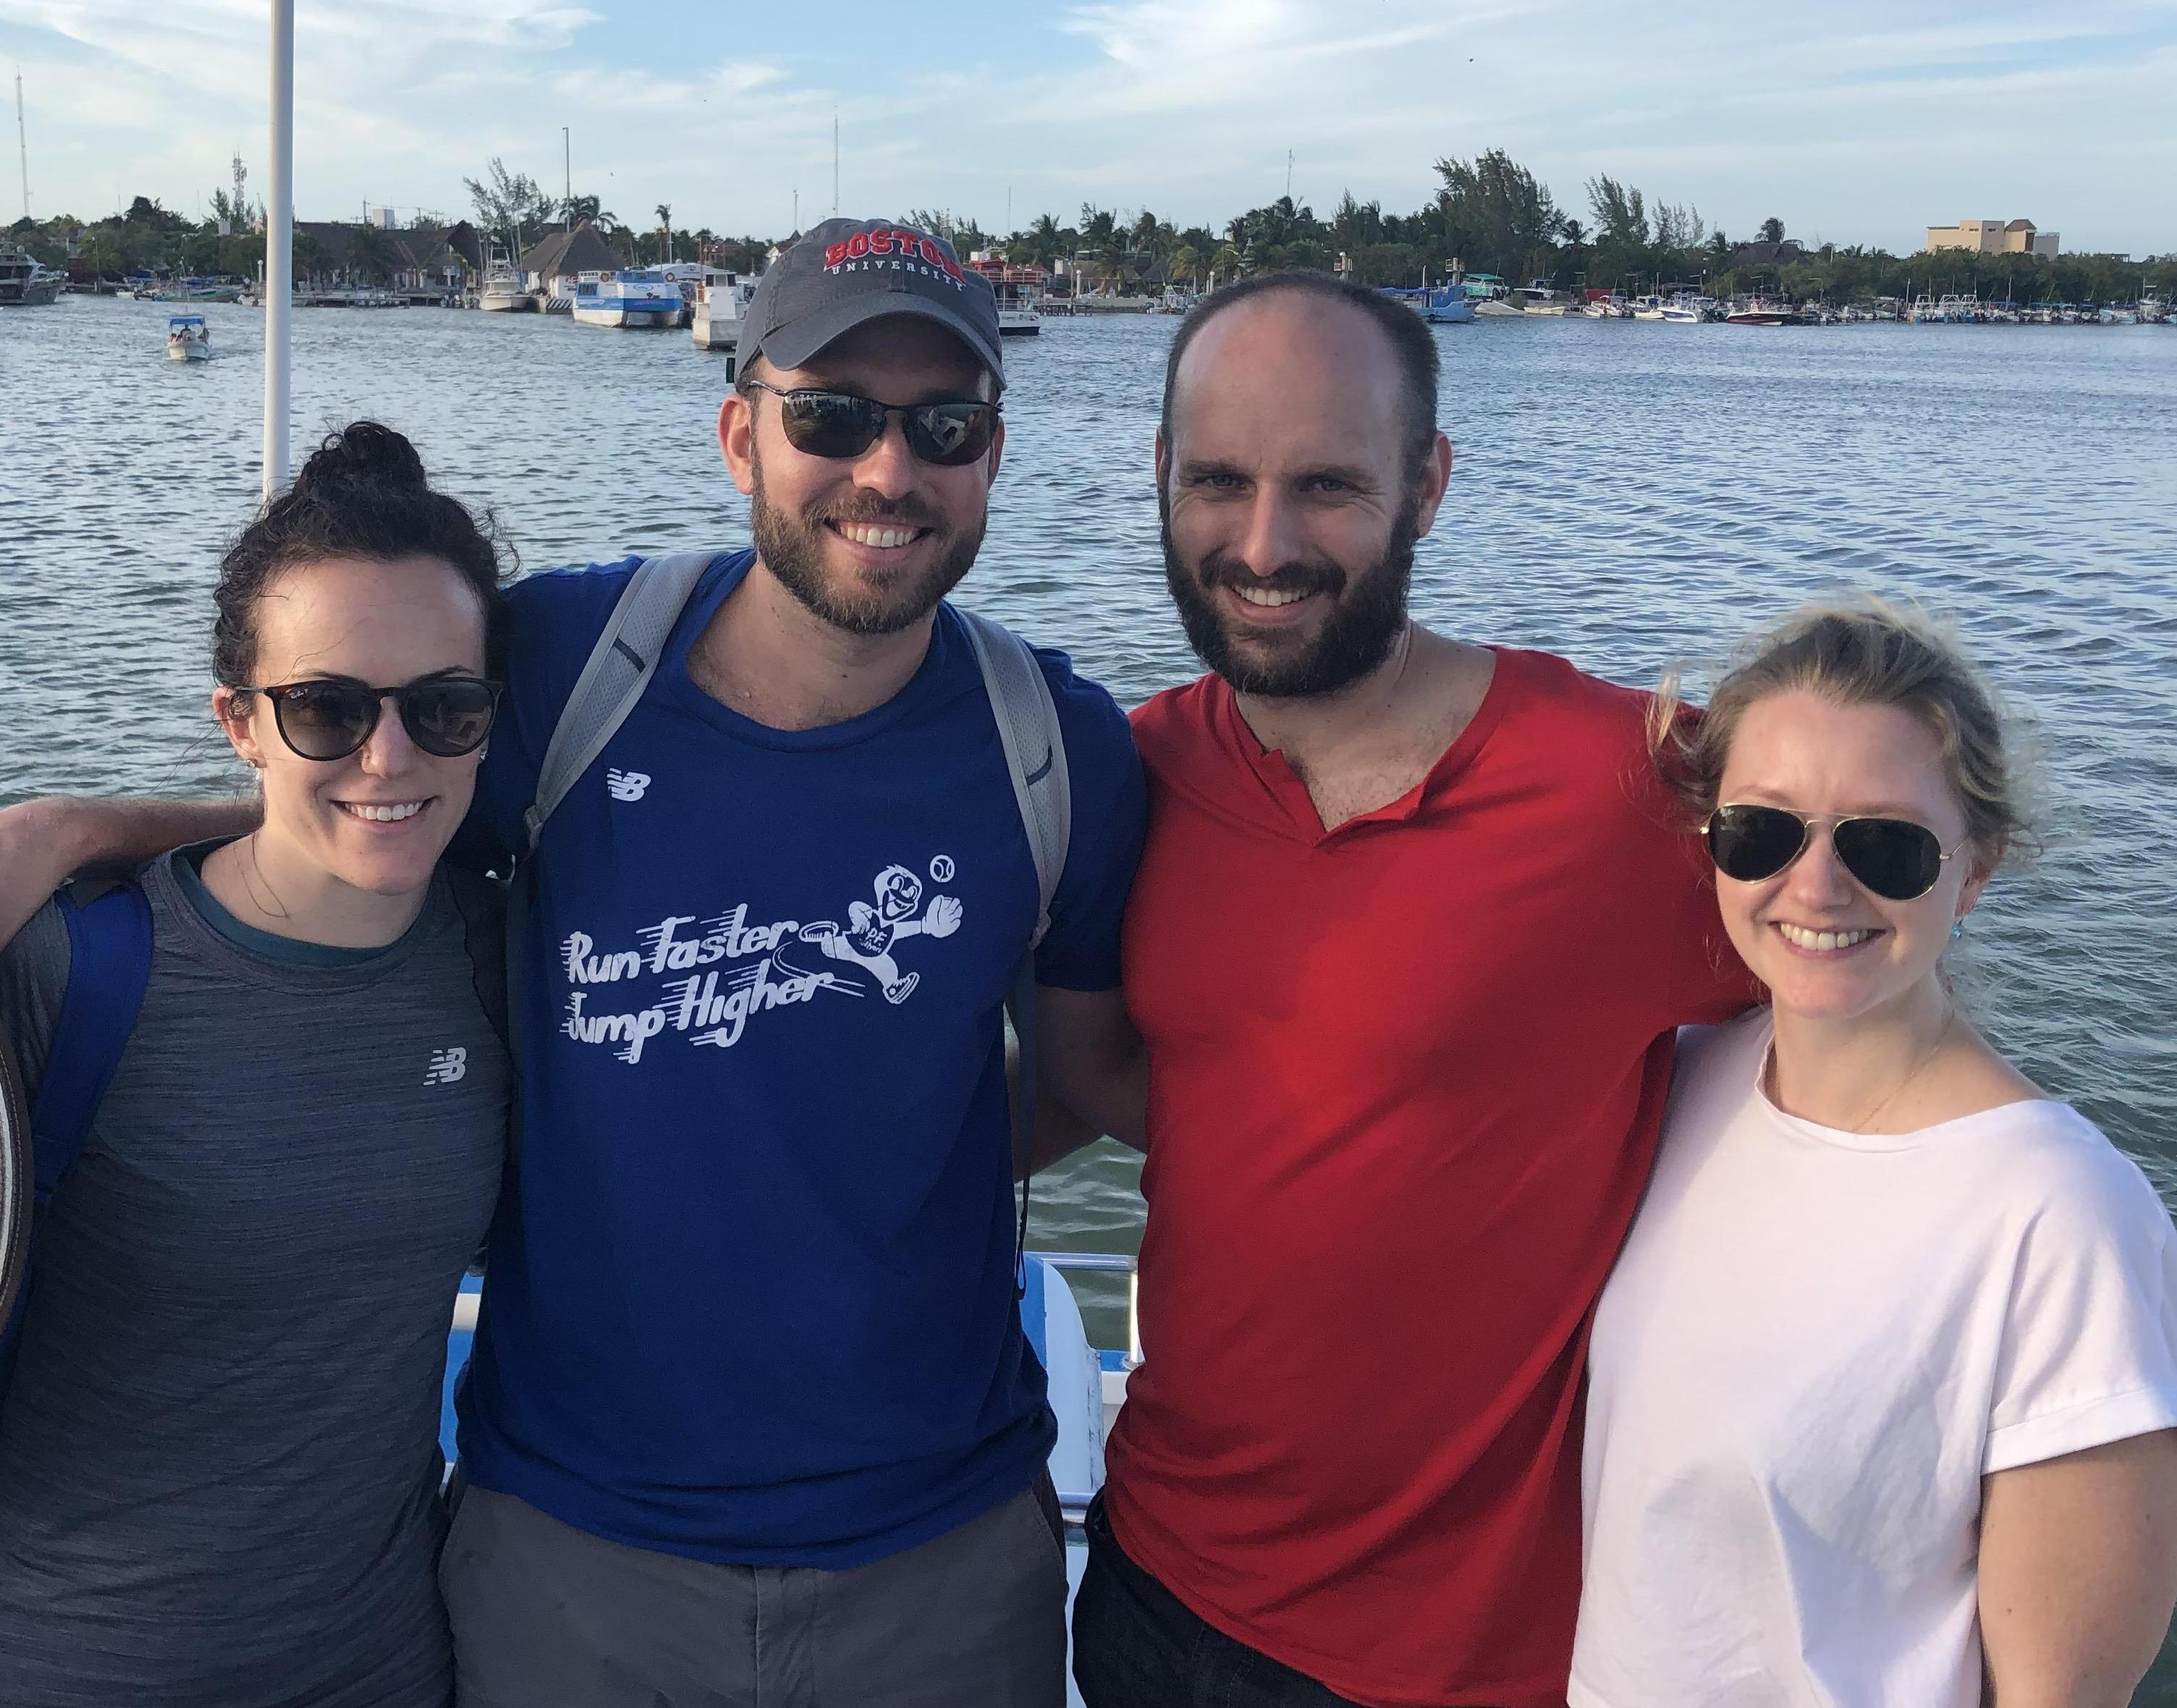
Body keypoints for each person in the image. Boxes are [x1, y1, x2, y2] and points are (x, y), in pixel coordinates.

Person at [0, 221, 1149, 1707]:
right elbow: (367, 793)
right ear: (741, 431)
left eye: (943, 425)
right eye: (830, 416)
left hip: (934, 1552)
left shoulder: (1059, 749)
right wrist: (86, 823)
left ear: (992, 450)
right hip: (570, 1551)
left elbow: (1076, 1084)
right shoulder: (568, 665)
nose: (887, 470)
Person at [1073, 271, 1750, 1708]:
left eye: (1326, 484)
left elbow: (1873, 986)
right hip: (1146, 1585)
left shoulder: (1624, 785)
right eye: (1218, 480)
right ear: (1159, 479)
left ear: (1427, 484)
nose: (1263, 545)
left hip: (1463, 1658)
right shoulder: (1124, 777)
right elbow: (1162, 1083)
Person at [1572, 600, 2177, 1707]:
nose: (1814, 886)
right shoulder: (1684, 1084)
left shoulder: (2061, 1219)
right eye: (1762, 830)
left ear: (1977, 870)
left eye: (1886, 846)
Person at [0, 421, 514, 1708]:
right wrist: (67, 828)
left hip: (385, 1664)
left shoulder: (500, 956)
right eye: (327, 709)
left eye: (442, 709)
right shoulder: (74, 969)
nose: (388, 756)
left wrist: (87, 816)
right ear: (239, 721)